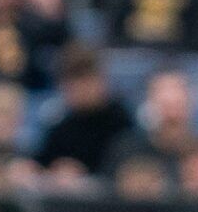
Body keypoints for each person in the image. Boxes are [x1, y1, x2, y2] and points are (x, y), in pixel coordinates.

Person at [34, 43, 133, 177]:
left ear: (102, 80)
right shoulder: (61, 128)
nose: (81, 89)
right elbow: (42, 166)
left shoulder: (123, 123)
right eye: (72, 82)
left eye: (86, 80)